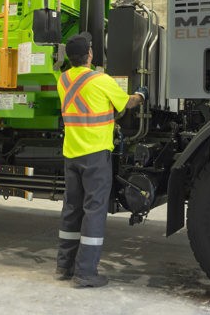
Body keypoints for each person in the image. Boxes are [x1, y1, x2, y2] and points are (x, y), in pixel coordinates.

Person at [55, 32, 146, 288]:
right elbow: (126, 104)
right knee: (93, 211)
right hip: (95, 155)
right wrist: (142, 94)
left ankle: (64, 266)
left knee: (71, 209)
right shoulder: (100, 80)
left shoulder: (63, 80)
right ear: (90, 55)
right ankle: (85, 272)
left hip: (71, 153)